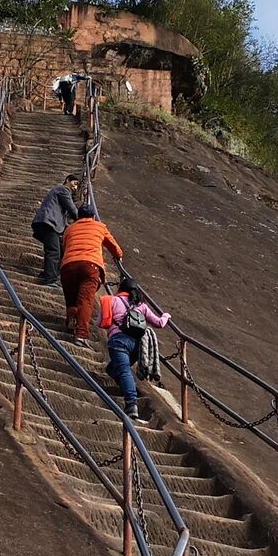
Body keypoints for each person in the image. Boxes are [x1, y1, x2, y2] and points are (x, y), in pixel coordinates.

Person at [97, 278, 170, 420]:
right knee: (112, 369)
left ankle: (131, 403)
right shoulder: (141, 305)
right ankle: (127, 386)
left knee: (124, 370)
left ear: (120, 289)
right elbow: (159, 323)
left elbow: (101, 322)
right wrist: (166, 315)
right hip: (138, 346)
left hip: (119, 341)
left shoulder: (111, 301)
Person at [59, 205, 122, 343]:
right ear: (93, 216)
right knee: (85, 300)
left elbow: (65, 247)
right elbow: (113, 245)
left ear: (79, 216)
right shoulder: (100, 227)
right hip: (90, 265)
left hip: (68, 265)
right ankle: (81, 334)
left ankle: (71, 321)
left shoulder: (69, 229)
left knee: (71, 299)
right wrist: (119, 255)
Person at [30, 175, 80, 285]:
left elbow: (63, 220)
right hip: (49, 223)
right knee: (54, 251)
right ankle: (49, 279)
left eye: (77, 187)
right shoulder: (63, 189)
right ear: (67, 180)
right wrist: (84, 220)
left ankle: (49, 274)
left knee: (61, 251)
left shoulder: (58, 193)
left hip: (50, 223)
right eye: (75, 184)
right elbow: (72, 209)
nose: (75, 188)